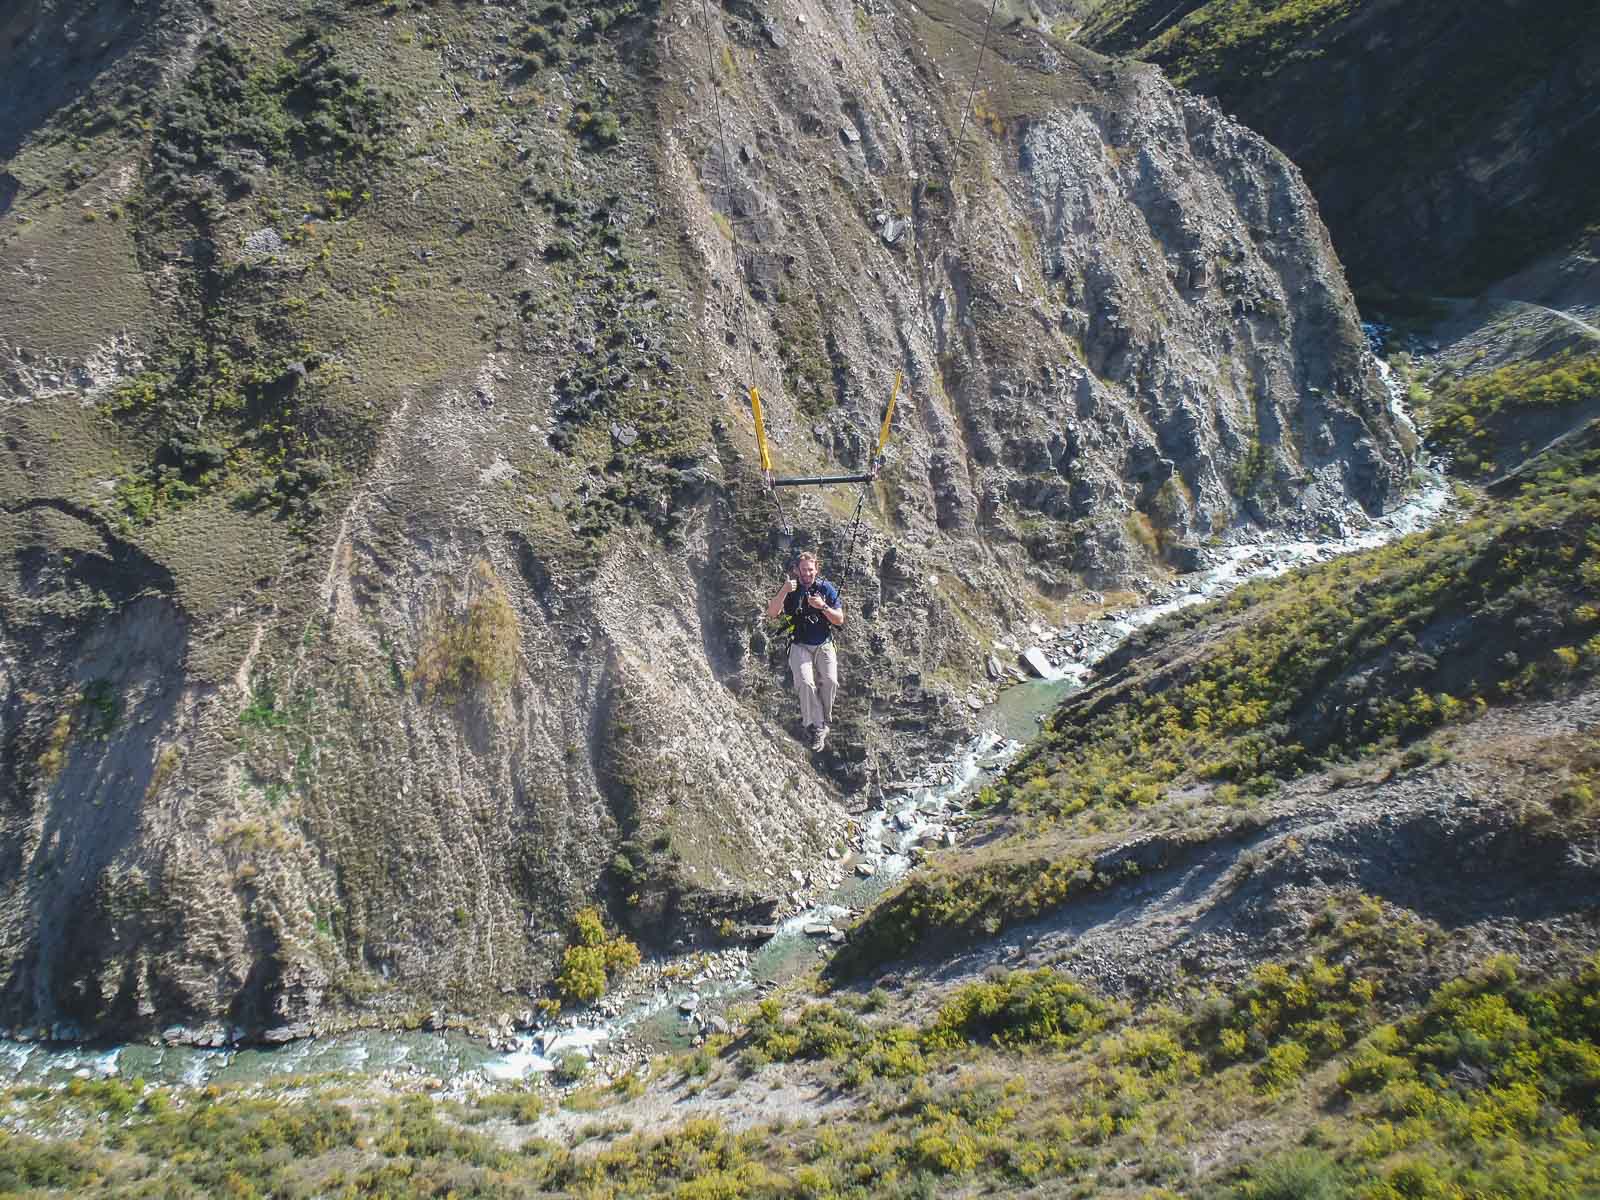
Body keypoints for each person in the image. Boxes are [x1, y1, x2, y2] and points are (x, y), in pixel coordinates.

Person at [766, 551, 843, 751]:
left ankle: (824, 721)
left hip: (823, 642)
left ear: (816, 569)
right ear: (796, 571)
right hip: (799, 643)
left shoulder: (826, 589)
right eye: (803, 570)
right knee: (806, 683)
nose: (807, 574)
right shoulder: (791, 590)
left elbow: (839, 619)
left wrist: (822, 606)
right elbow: (772, 613)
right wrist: (784, 590)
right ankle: (817, 726)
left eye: (811, 569)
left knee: (830, 680)